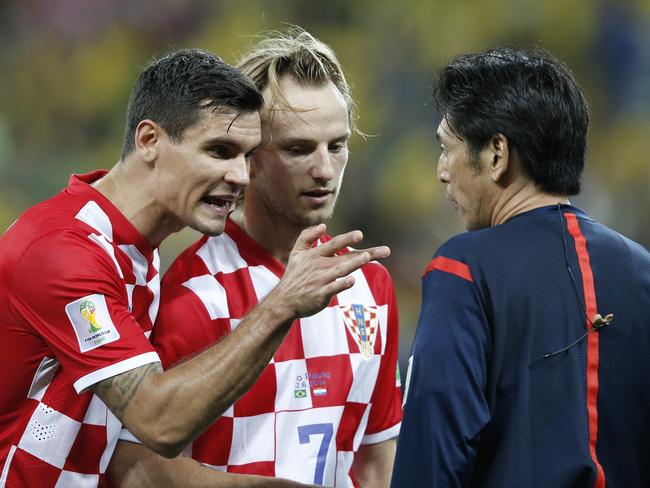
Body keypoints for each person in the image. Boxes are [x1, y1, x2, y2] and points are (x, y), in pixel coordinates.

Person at [0, 48, 390, 488]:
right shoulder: (62, 251)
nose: (241, 176)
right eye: (219, 151)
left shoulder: (132, 249)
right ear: (149, 141)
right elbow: (158, 423)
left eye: (247, 155)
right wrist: (281, 304)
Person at [108, 28, 403, 487]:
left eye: (337, 145)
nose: (324, 169)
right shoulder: (193, 291)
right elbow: (131, 467)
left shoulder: (371, 287)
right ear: (250, 157)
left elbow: (376, 459)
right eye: (298, 149)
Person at [392, 47, 650, 487]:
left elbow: (432, 451)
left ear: (496, 154)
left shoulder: (463, 269)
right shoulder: (643, 271)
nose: (441, 171)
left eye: (446, 148)